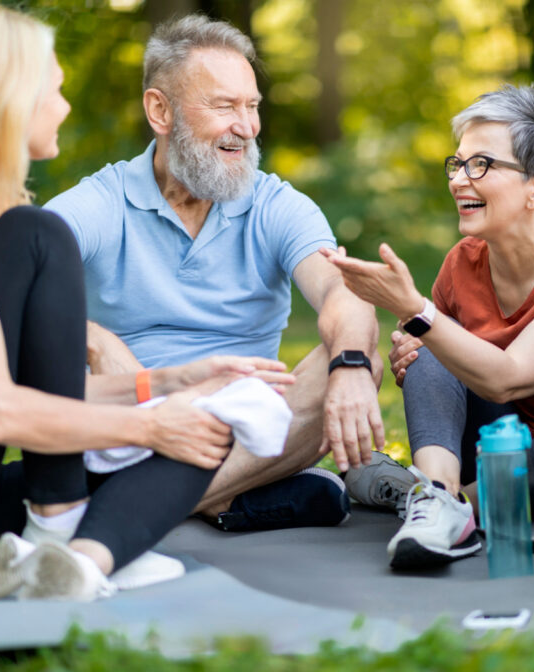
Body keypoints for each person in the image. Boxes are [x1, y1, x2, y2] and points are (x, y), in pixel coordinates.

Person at [0, 3, 292, 602]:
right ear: (5, 101)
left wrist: (169, 385)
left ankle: (84, 560)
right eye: (52, 91)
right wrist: (149, 424)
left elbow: (34, 398)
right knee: (40, 235)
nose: (65, 107)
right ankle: (56, 521)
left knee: (204, 422)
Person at [44, 15, 384, 532]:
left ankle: (141, 506)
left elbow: (343, 291)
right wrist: (93, 341)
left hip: (246, 423)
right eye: (224, 106)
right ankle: (223, 498)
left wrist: (354, 366)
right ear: (161, 110)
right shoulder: (100, 202)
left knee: (354, 358)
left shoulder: (275, 203)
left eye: (251, 107)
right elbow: (9, 282)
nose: (246, 127)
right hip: (138, 419)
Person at [324, 85, 534, 569]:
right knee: (432, 349)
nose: (459, 179)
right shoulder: (463, 261)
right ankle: (439, 498)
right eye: (457, 163)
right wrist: (415, 351)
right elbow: (444, 363)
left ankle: (438, 500)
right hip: (490, 441)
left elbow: (511, 375)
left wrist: (420, 316)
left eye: (480, 165)